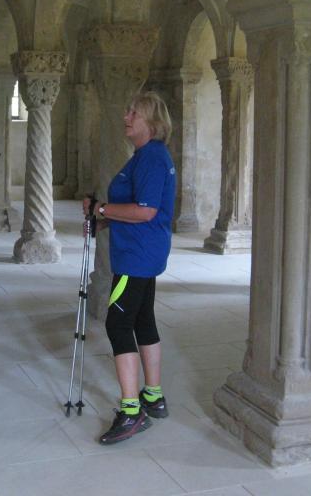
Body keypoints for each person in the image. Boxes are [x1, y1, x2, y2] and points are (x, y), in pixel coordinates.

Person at [82, 90, 176, 445]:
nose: (126, 117)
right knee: (143, 320)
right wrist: (106, 219)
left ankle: (131, 410)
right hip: (142, 250)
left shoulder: (151, 158)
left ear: (150, 121)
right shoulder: (146, 156)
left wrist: (101, 210)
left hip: (136, 255)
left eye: (133, 113)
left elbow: (146, 211)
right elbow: (137, 208)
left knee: (118, 324)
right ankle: (153, 396)